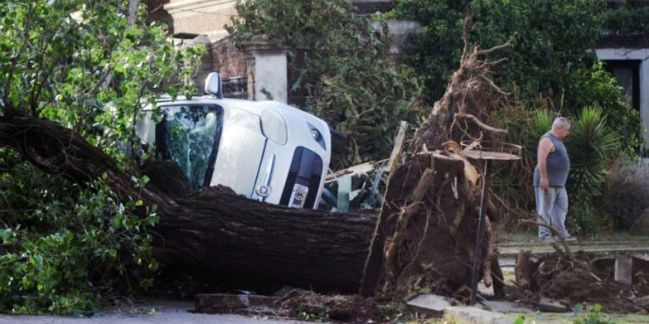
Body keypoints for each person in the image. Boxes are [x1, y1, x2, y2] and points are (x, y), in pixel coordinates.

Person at [533, 117, 576, 243]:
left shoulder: (558, 141)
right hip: (548, 182)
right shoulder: (547, 139)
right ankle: (544, 236)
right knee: (545, 209)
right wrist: (544, 178)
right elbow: (541, 160)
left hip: (559, 183)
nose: (567, 133)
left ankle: (561, 234)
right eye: (567, 130)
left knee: (562, 208)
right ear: (560, 128)